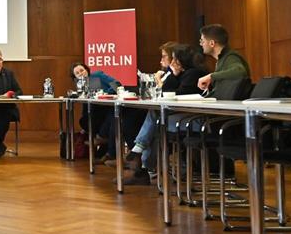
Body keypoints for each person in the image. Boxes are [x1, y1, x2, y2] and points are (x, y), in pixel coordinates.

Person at [123, 44, 208, 184]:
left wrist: (173, 75)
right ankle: (143, 164)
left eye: (174, 59)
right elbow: (166, 93)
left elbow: (177, 94)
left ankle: (142, 160)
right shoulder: (181, 74)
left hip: (192, 118)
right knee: (150, 122)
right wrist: (174, 75)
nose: (172, 63)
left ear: (182, 60)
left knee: (155, 117)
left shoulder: (193, 73)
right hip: (181, 116)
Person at [72, 62, 119, 146]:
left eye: (82, 70)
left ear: (86, 70)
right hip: (96, 110)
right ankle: (102, 141)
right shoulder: (82, 86)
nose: (80, 74)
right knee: (84, 121)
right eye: (77, 73)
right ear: (75, 77)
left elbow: (117, 84)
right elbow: (85, 106)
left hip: (109, 106)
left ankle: (102, 137)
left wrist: (105, 94)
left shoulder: (96, 76)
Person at [196, 24, 250, 92]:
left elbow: (240, 72)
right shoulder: (222, 59)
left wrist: (211, 76)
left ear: (212, 43)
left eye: (202, 41)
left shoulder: (231, 57)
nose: (201, 44)